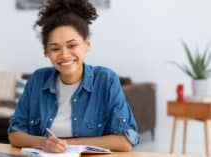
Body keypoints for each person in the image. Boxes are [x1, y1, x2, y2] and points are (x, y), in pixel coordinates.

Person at [8, 0, 139, 153]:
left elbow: (125, 141)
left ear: (87, 44)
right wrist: (44, 143)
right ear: (46, 52)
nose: (64, 55)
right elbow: (15, 134)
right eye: (55, 48)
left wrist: (67, 143)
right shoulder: (37, 80)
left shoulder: (106, 80)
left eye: (72, 45)